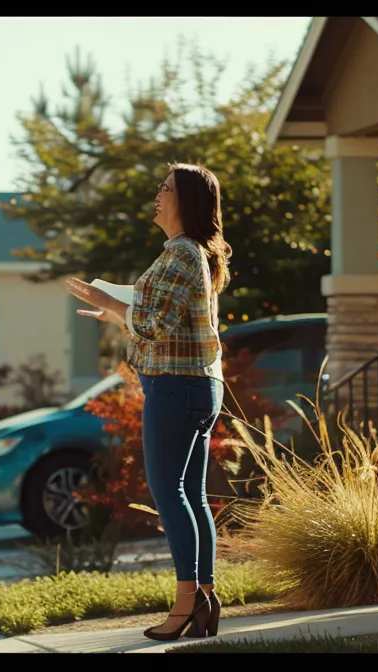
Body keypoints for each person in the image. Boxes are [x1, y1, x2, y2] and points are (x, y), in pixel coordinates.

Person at [66, 162, 231, 641]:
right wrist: (117, 312)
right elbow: (164, 323)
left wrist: (117, 305)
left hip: (177, 388)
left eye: (166, 188)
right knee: (193, 497)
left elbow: (154, 325)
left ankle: (186, 604)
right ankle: (203, 598)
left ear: (187, 201)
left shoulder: (181, 255)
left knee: (170, 494)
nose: (157, 194)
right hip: (194, 384)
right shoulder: (187, 253)